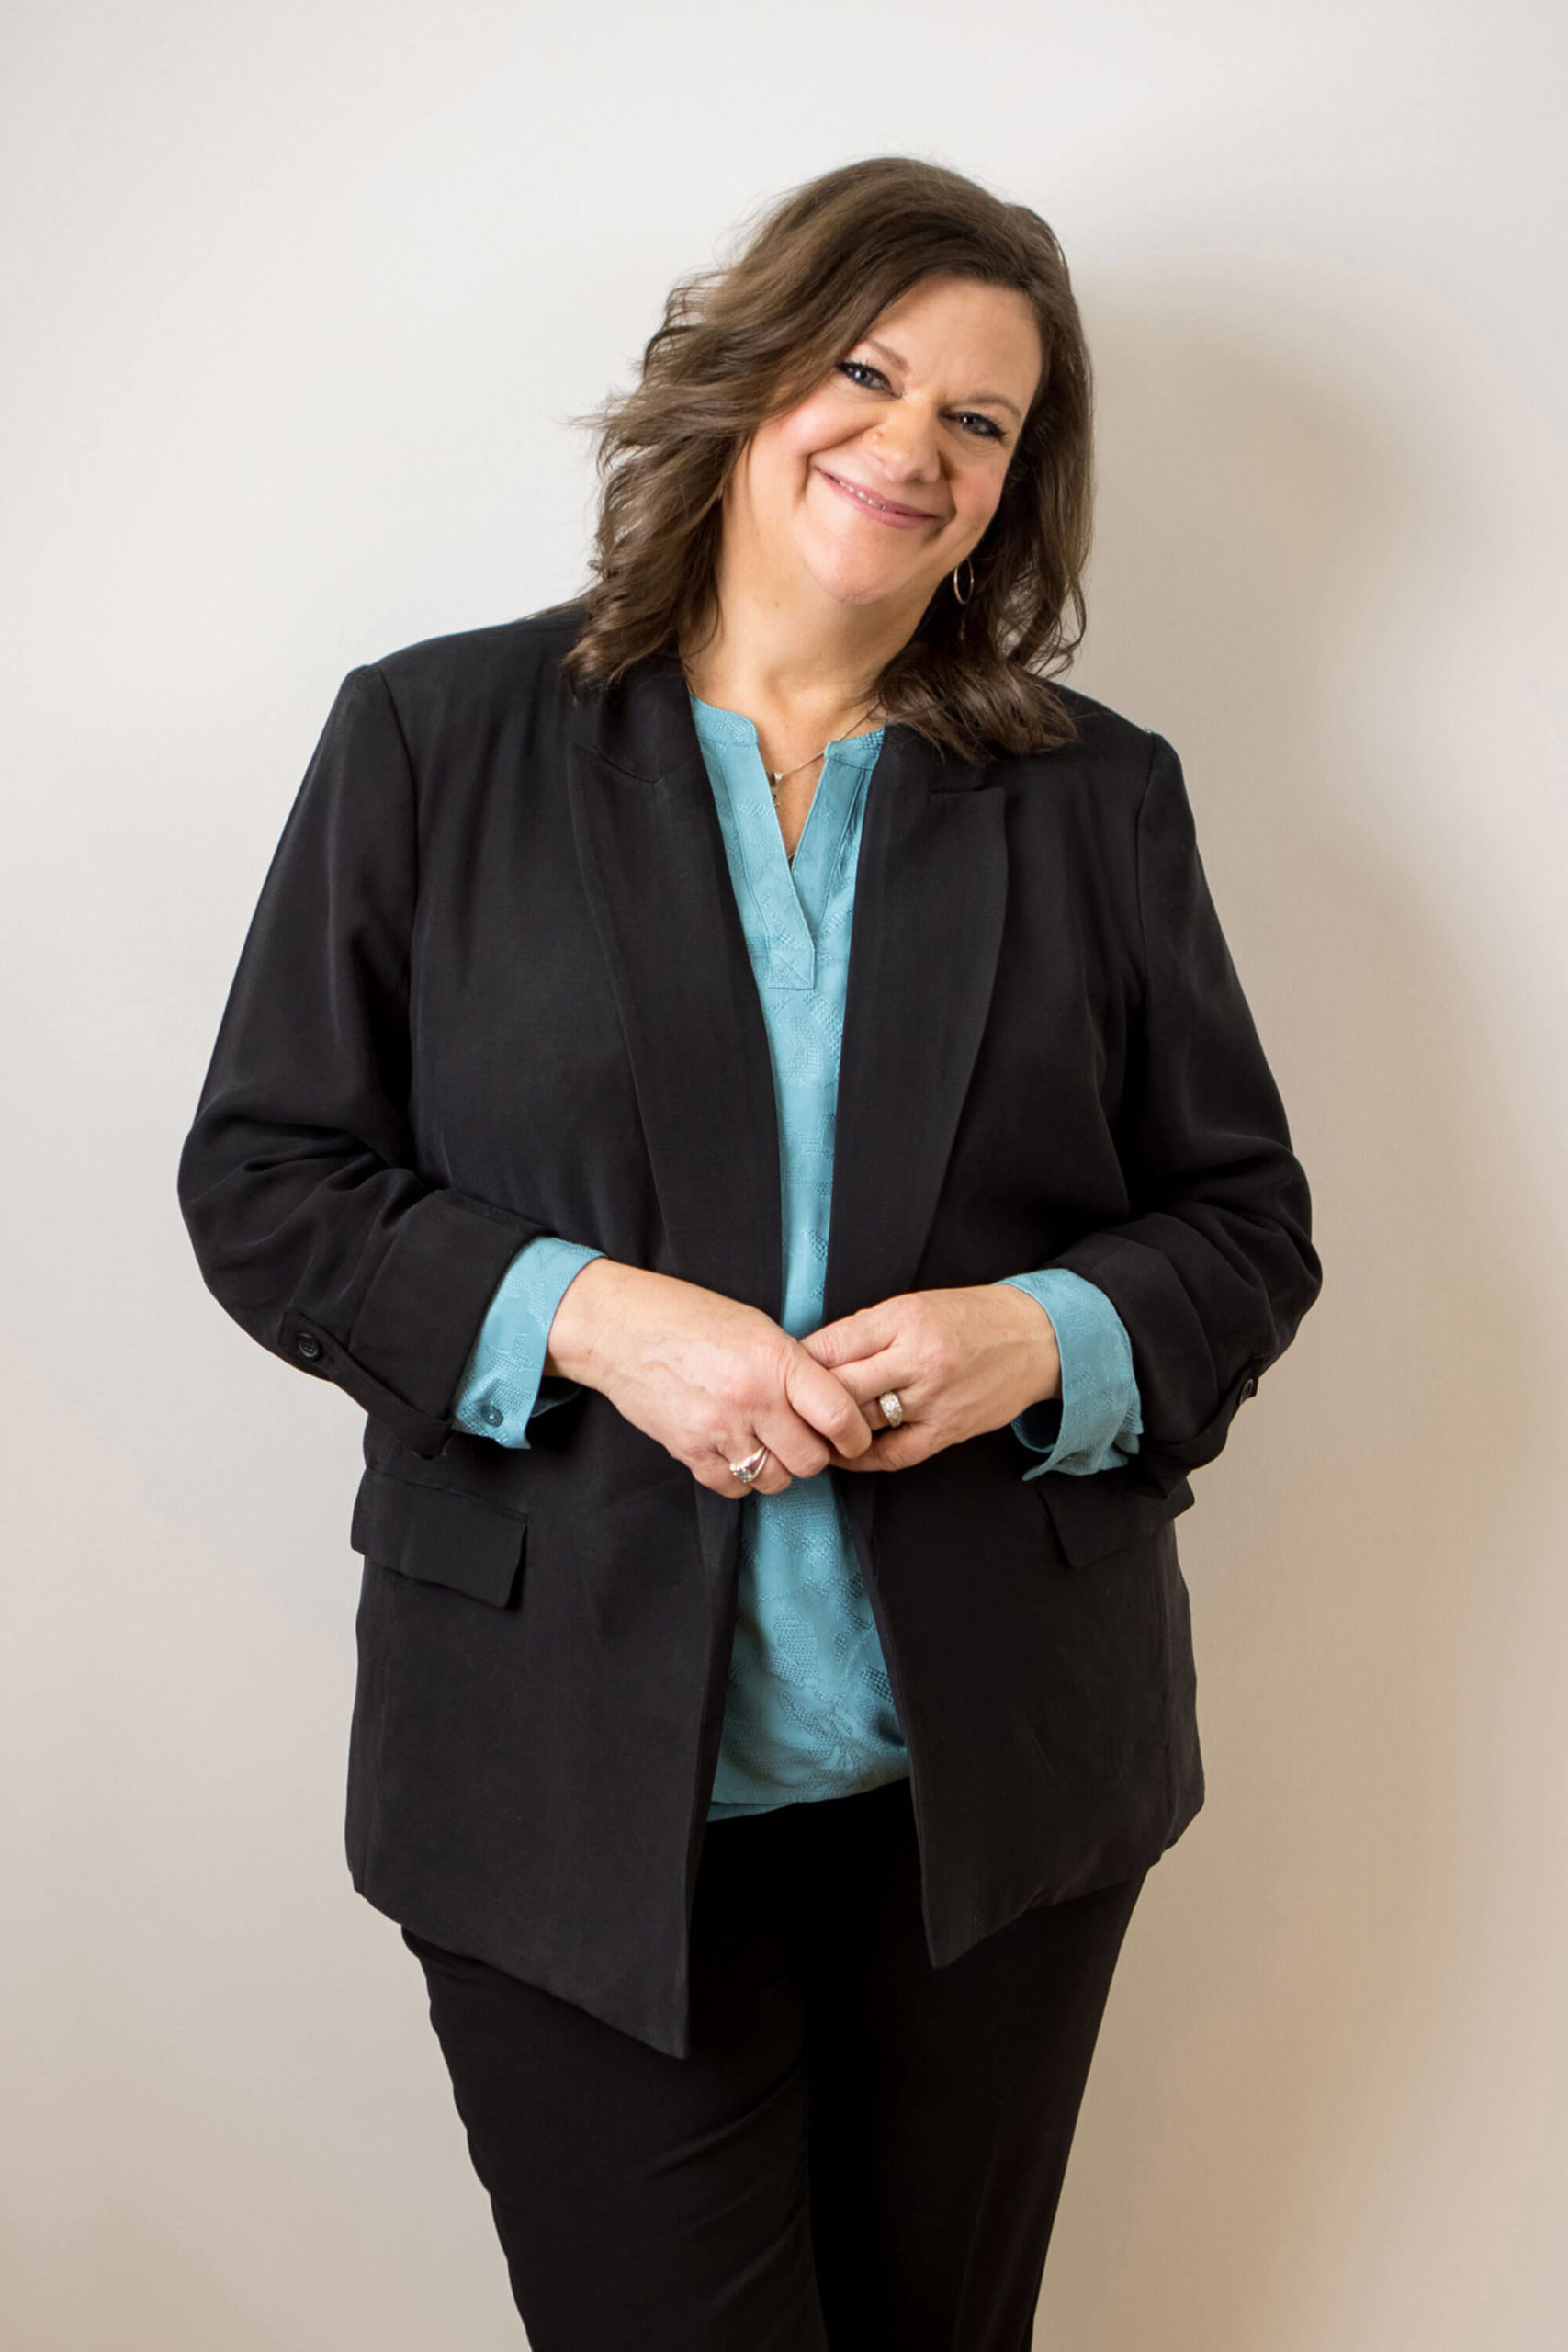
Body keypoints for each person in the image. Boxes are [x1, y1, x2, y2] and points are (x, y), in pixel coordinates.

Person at [178, 154, 1321, 2352]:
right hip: (559, 1771)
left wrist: (1036, 1334)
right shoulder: (434, 740)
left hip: (992, 1795)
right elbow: (270, 1177)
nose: (909, 446)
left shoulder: (1092, 796)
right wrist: (594, 1320)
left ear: (1012, 489)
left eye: (977, 420)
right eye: (865, 372)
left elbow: (1239, 1223)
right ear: (750, 373)